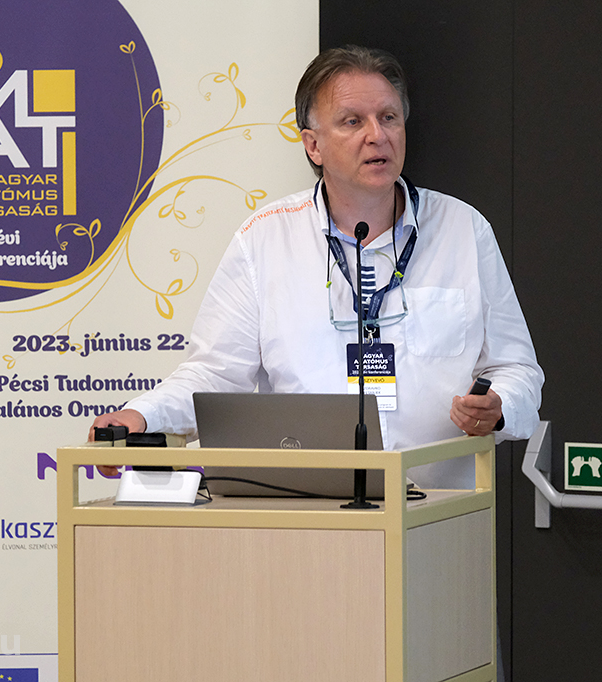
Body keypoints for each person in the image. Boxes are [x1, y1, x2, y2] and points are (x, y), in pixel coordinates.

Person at [91, 45, 543, 486]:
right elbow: (214, 374)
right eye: (353, 121)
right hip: (308, 512)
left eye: (389, 117)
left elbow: (517, 369)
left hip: (439, 511)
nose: (377, 135)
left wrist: (499, 405)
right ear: (313, 146)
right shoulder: (264, 239)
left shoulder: (463, 229)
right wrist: (141, 415)